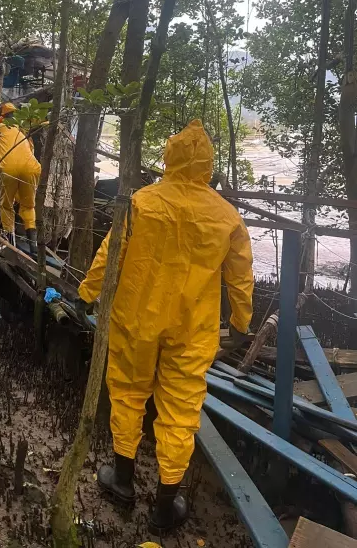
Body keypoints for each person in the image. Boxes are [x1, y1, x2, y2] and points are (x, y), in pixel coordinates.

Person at [77, 120, 254, 534]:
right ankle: (164, 505)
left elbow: (110, 254)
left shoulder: (142, 202)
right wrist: (241, 323)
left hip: (136, 317)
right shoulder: (227, 216)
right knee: (181, 408)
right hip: (193, 327)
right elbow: (240, 277)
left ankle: (121, 481)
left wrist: (87, 293)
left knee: (127, 392)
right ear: (208, 166)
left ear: (170, 158)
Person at [0, 102, 41, 254]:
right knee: (28, 206)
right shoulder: (23, 131)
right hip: (31, 168)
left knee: (6, 205)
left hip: (8, 169)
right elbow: (31, 150)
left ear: (2, 117)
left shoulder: (0, 128)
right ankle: (33, 246)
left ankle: (10, 243)